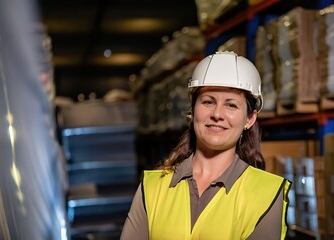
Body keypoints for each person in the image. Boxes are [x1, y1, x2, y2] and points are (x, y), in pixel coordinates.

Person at [120, 51, 291, 239]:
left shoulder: (267, 193)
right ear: (192, 112)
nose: (217, 114)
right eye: (208, 102)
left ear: (249, 119)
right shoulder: (153, 187)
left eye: (231, 105)